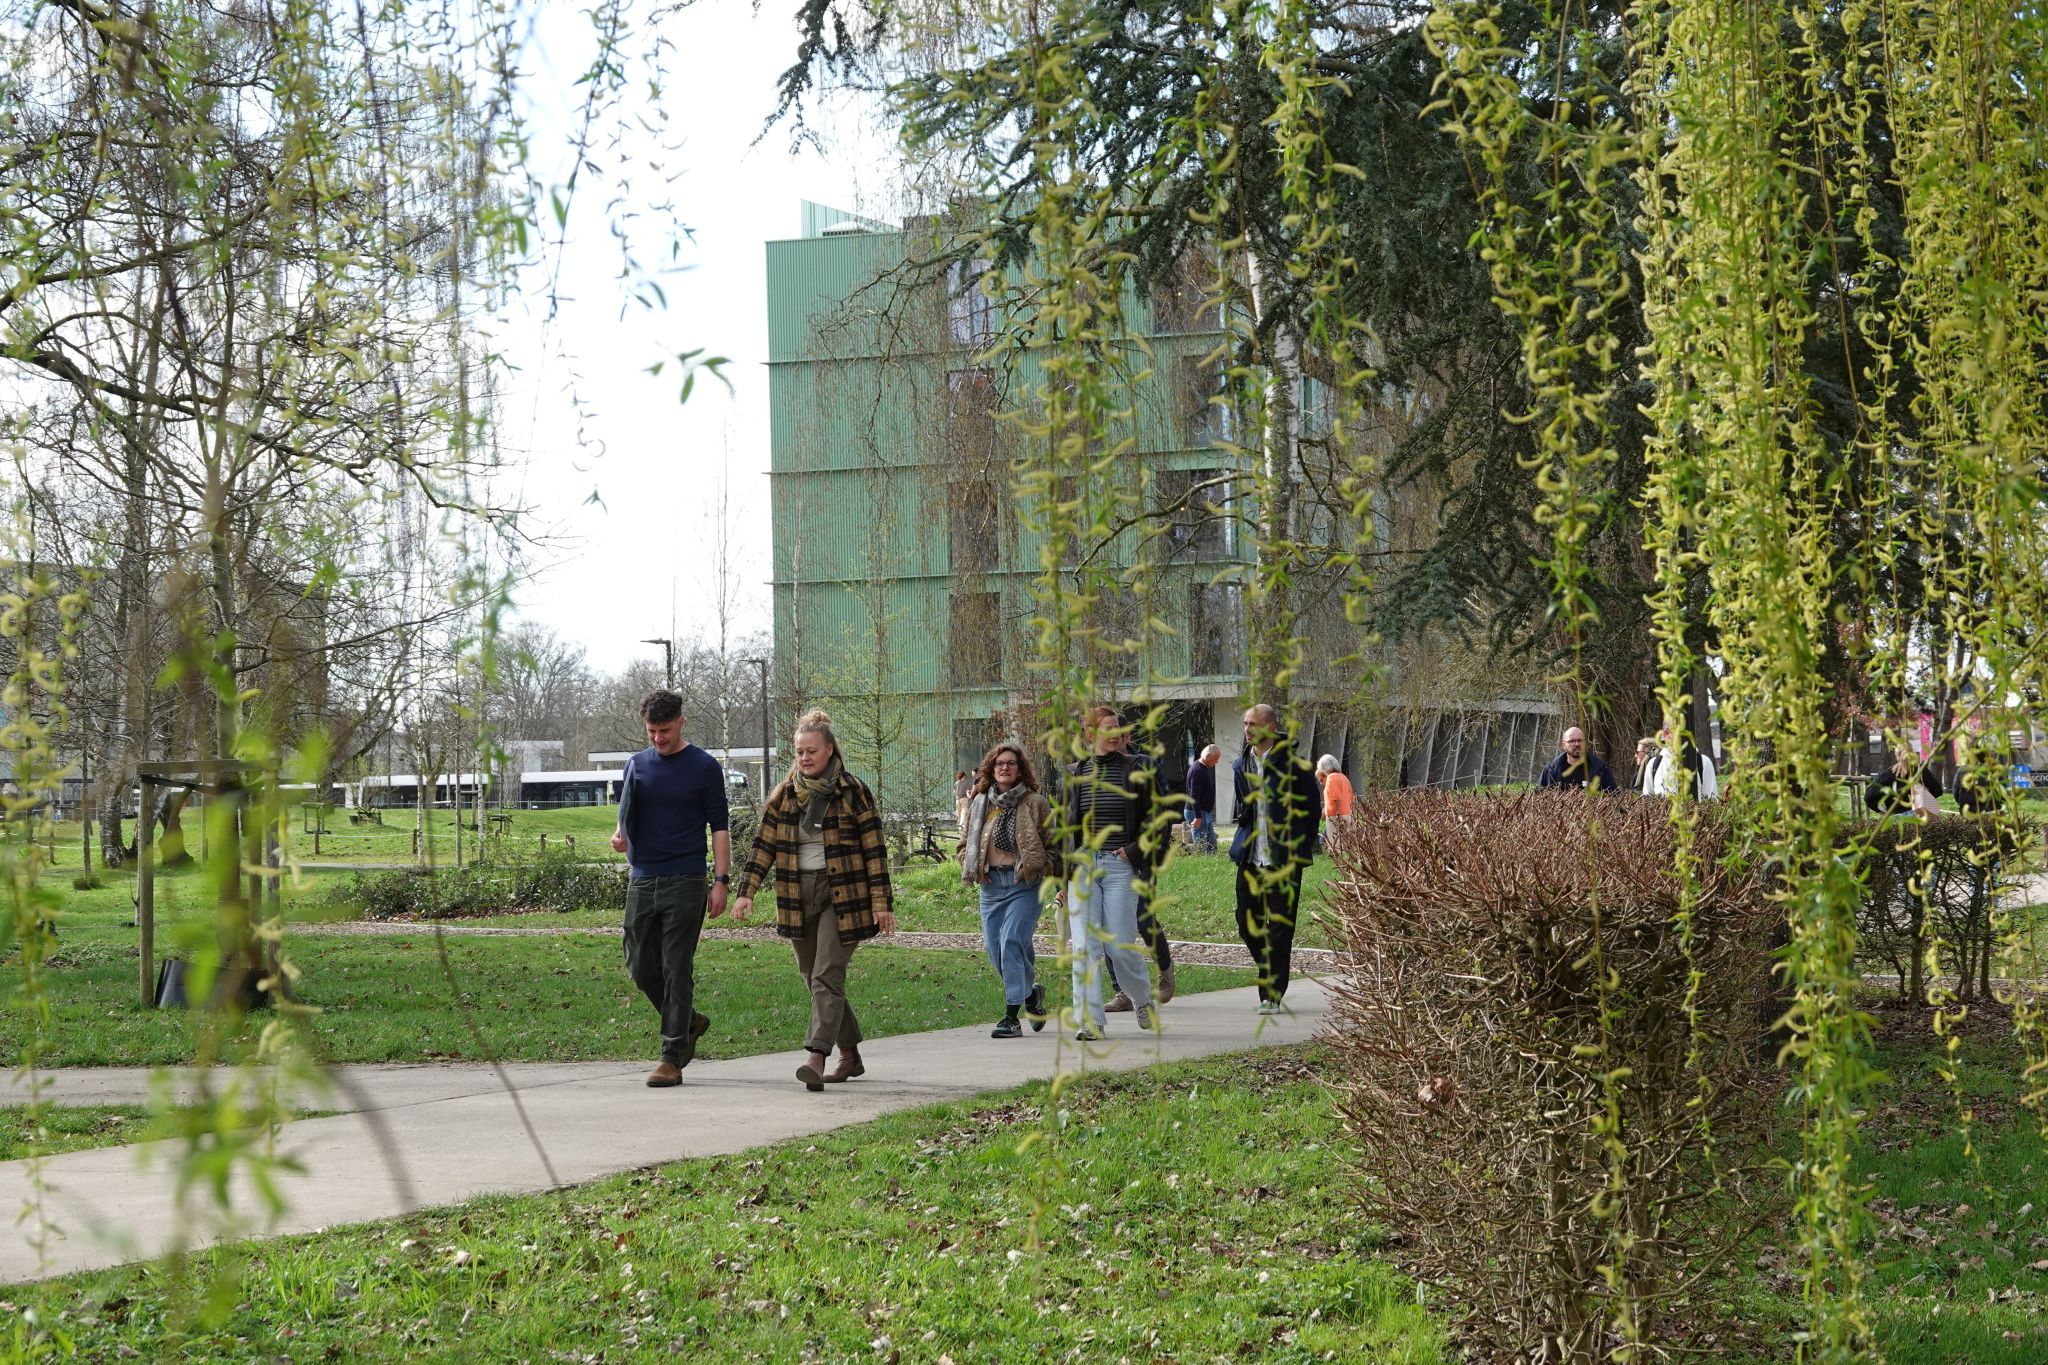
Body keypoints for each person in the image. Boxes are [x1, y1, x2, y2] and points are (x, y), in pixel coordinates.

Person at [732, 710, 897, 1091]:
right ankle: (850, 1054)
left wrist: (881, 902)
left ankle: (816, 1057)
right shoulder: (786, 795)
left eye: (811, 751)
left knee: (827, 974)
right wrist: (746, 892)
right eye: (799, 752)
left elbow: (875, 850)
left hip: (844, 896)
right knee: (814, 977)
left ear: (829, 750)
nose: (804, 758)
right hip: (796, 894)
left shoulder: (853, 791)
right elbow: (763, 846)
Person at [611, 689, 731, 1089]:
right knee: (639, 965)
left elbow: (720, 828)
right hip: (643, 878)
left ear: (681, 722)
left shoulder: (704, 767)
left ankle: (671, 1057)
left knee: (676, 967)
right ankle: (690, 1022)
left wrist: (720, 881)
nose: (658, 738)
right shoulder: (636, 764)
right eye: (651, 731)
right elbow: (627, 812)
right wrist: (619, 835)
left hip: (686, 878)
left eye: (664, 730)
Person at [1064, 705, 1160, 1039]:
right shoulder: (1075, 774)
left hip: (1120, 866)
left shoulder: (1137, 769)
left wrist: (1133, 850)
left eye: (1117, 728)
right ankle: (1091, 1022)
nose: (1114, 735)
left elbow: (1155, 819)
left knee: (1119, 947)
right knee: (1085, 948)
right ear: (1089, 733)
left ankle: (1142, 998)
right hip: (1083, 867)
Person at [960, 742, 1057, 1038]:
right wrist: (970, 864)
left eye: (1011, 763)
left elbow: (1054, 843)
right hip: (990, 887)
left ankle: (1011, 1018)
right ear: (991, 768)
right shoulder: (980, 802)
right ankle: (1030, 995)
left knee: (1011, 942)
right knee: (994, 948)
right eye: (999, 763)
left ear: (1020, 769)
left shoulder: (1035, 802)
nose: (1004, 767)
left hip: (1024, 886)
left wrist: (1040, 867)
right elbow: (964, 843)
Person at [1230, 704, 1321, 1014]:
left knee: (1280, 928)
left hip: (1284, 860)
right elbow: (1245, 807)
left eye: (1253, 723)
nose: (1247, 729)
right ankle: (1270, 967)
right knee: (1247, 924)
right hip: (1251, 859)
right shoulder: (1241, 765)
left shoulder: (1295, 765)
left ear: (1270, 727)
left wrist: (1298, 844)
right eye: (1245, 723)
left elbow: (1311, 810)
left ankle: (1272, 994)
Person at [1105, 722, 1175, 1011]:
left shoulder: (1145, 765)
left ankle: (1164, 966)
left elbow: (1161, 815)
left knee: (1143, 918)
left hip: (1140, 856)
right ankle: (1121, 990)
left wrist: (1139, 851)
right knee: (1109, 924)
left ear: (1127, 736)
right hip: (1105, 858)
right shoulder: (1092, 767)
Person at [1537, 726, 1617, 792]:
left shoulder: (1600, 769)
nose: (1577, 744)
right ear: (1564, 745)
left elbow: (1614, 797)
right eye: (1571, 741)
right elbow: (1538, 797)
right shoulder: (1551, 770)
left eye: (1580, 740)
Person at [1866, 749, 1943, 818]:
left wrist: (1880, 811)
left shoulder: (1889, 773)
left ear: (1897, 757)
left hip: (1897, 816)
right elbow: (1937, 791)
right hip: (1921, 815)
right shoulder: (1922, 770)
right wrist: (1923, 795)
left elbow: (1869, 797)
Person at [1185, 744, 1221, 854]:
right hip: (1197, 812)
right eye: (1216, 758)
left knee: (1212, 845)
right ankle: (1201, 863)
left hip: (1204, 812)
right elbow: (1194, 795)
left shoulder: (1203, 768)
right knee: (1202, 846)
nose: (1217, 762)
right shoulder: (1198, 770)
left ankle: (1212, 863)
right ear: (1208, 756)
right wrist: (1198, 817)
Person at [1315, 755, 1353, 839]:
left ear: (1325, 767)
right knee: (1345, 843)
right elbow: (1350, 796)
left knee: (1334, 844)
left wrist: (1337, 815)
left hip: (1335, 816)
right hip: (1347, 814)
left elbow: (1336, 797)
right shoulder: (1343, 777)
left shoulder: (1331, 777)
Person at [953, 770, 974, 834]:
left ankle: (959, 828)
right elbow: (970, 789)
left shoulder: (956, 783)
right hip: (964, 799)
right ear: (964, 776)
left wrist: (957, 796)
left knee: (958, 813)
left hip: (957, 800)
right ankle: (962, 827)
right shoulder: (966, 782)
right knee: (964, 813)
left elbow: (954, 792)